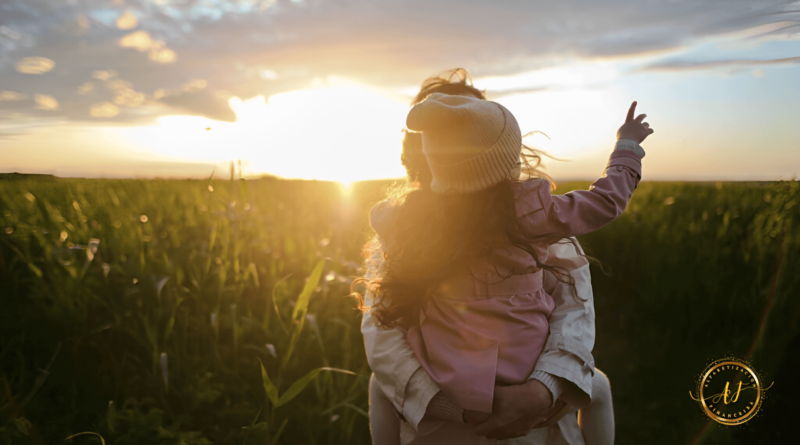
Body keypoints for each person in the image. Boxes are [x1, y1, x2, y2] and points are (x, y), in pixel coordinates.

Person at [356, 69, 652, 444]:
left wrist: (539, 391)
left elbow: (573, 313)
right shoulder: (535, 216)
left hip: (470, 394)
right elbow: (606, 202)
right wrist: (627, 148)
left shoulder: (406, 224)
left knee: (378, 387)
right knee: (601, 387)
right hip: (508, 390)